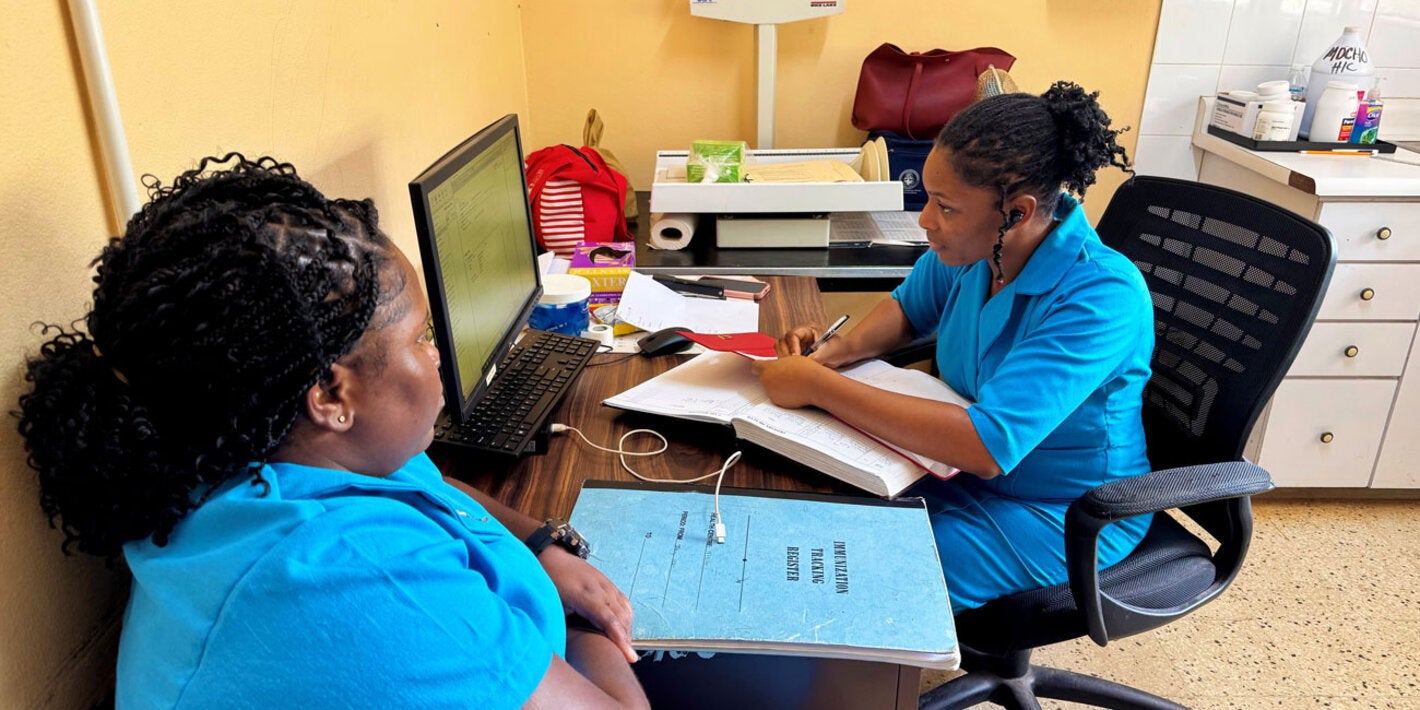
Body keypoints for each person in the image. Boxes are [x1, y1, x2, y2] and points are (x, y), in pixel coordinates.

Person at [17, 155, 650, 709]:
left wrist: (542, 544)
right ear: (330, 393)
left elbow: (433, 482)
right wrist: (583, 620)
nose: (437, 357)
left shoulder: (275, 450)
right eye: (421, 338)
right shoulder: (352, 577)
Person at [752, 82, 1153, 614]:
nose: (925, 220)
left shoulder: (1102, 296)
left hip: (1065, 511)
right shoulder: (978, 252)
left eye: (944, 206)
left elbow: (985, 446)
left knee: (847, 579)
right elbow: (908, 309)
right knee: (797, 516)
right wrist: (838, 351)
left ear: (1018, 211)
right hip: (949, 472)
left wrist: (819, 386)